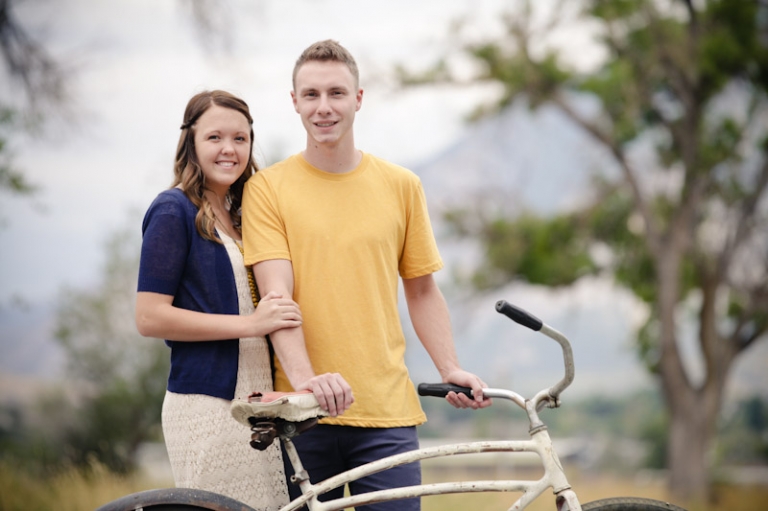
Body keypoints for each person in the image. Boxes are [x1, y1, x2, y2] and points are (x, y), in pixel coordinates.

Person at [241, 40, 492, 510]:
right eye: (310, 95)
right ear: (293, 101)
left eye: (336, 93)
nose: (323, 107)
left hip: (387, 415)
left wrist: (449, 367)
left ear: (358, 98)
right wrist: (308, 383)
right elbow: (277, 300)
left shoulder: (401, 186)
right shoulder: (267, 189)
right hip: (303, 415)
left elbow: (421, 289)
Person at [135, 90, 350, 509]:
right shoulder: (172, 210)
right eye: (215, 138)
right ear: (191, 143)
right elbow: (149, 317)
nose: (229, 150)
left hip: (261, 405)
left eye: (240, 138)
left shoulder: (244, 216)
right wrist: (251, 324)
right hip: (207, 405)